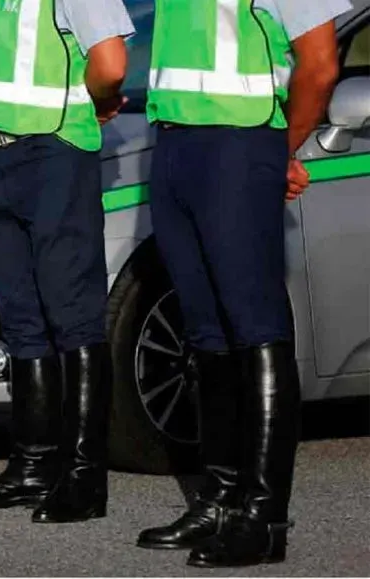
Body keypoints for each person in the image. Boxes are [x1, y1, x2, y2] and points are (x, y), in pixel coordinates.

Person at [135, 0, 352, 567]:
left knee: (256, 327)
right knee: (205, 330)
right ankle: (220, 498)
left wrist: (278, 149)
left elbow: (321, 63)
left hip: (240, 145)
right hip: (174, 145)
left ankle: (263, 517)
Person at [0, 0, 134, 523]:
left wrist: (93, 101)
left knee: (72, 313)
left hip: (54, 150)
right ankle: (32, 465)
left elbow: (111, 64)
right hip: (0, 153)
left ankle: (83, 477)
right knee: (22, 312)